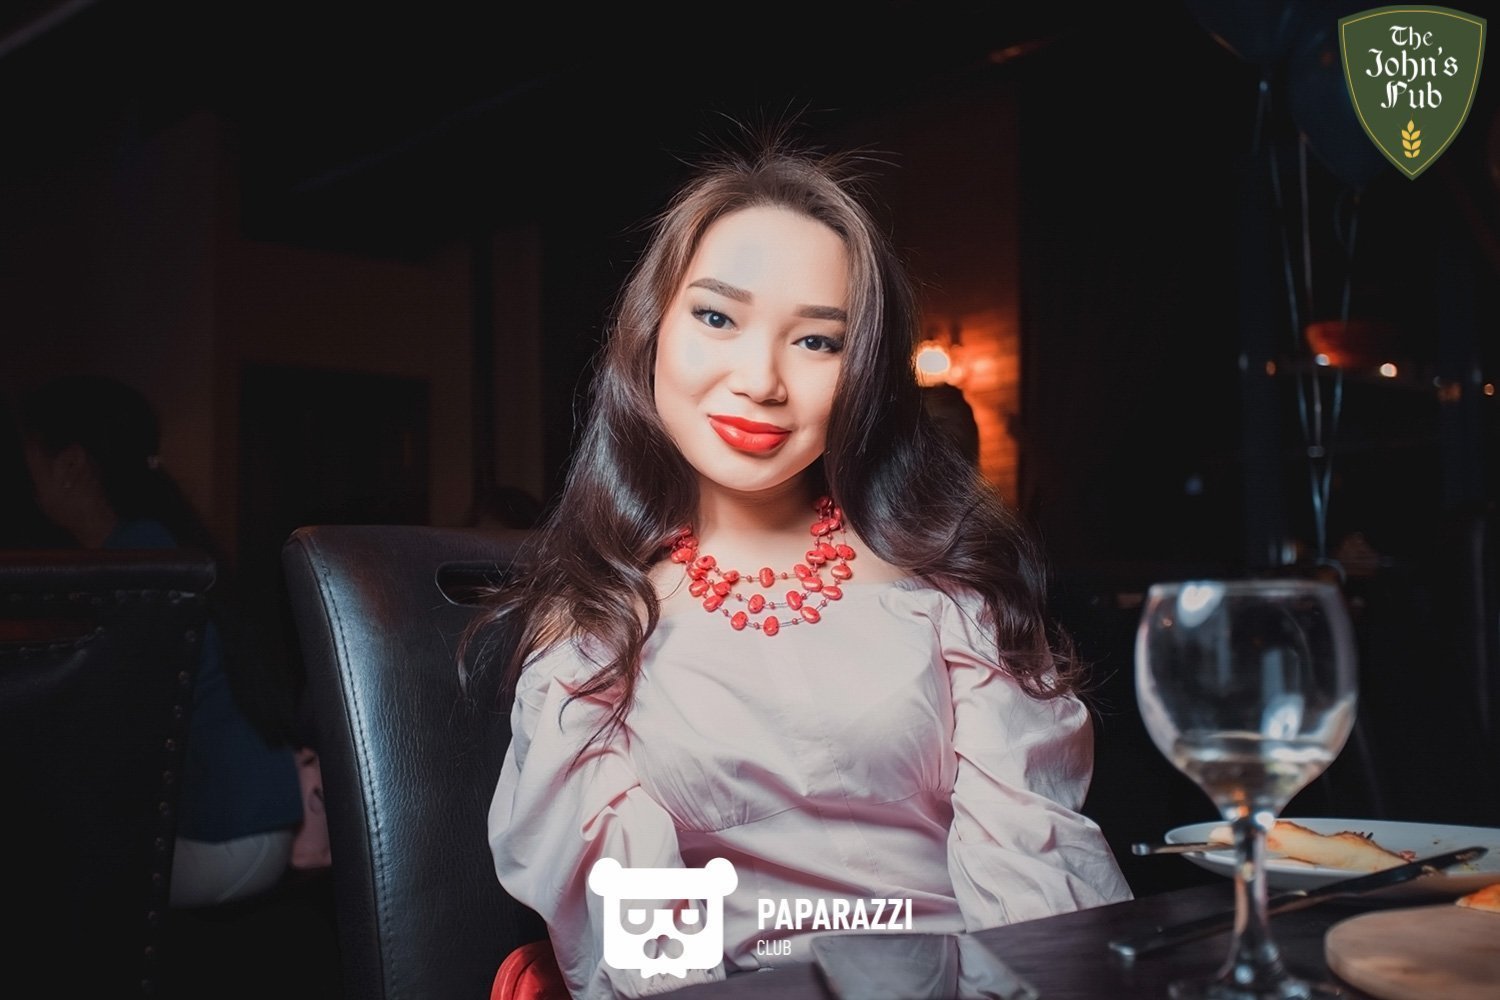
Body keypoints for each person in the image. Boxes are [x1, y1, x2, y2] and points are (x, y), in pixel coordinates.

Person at [473, 136, 1131, 999]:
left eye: (818, 341)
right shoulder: (597, 629)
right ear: (650, 334)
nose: (761, 380)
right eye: (717, 318)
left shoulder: (948, 593)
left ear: (865, 375)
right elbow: (649, 952)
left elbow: (1036, 896)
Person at [16, 374, 306, 908]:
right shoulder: (152, 544)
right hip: (249, 821)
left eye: (25, 457)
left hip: (226, 832)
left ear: (72, 464)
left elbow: (108, 728)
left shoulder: (138, 559)